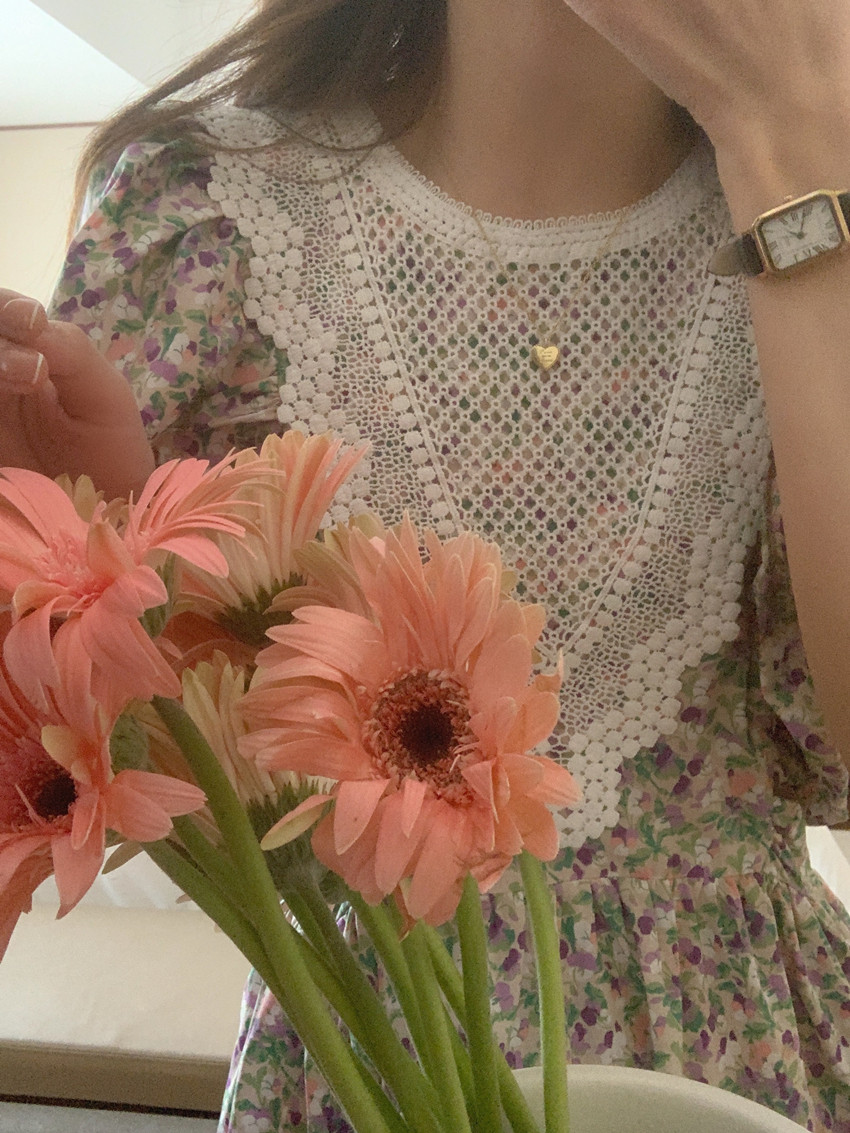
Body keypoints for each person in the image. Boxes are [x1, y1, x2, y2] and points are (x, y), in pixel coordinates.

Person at [2, 0, 850, 1127]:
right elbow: (113, 769)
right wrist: (107, 576)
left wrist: (793, 141)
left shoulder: (824, 195)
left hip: (755, 1061)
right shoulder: (196, 214)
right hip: (365, 1066)